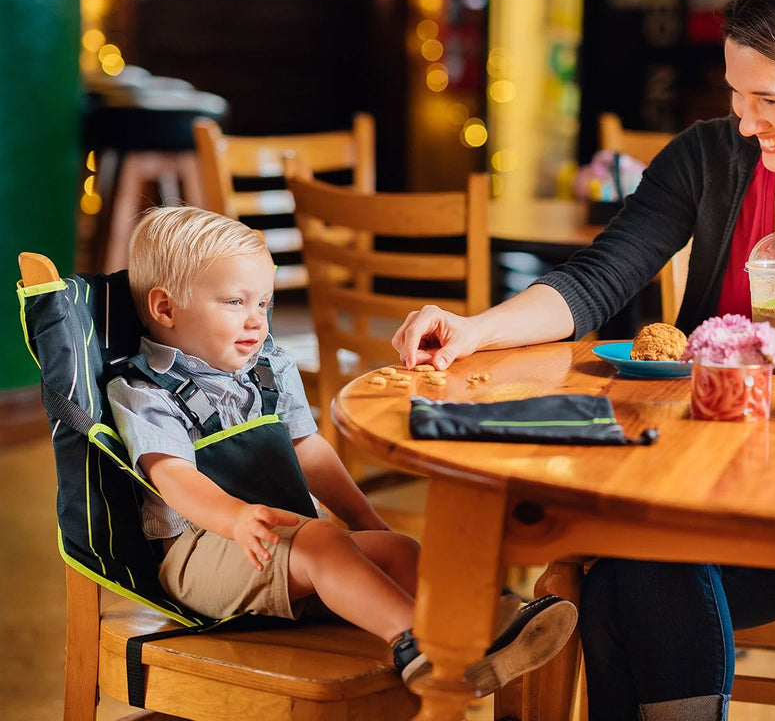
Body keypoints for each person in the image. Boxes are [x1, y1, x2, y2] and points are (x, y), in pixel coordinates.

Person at [392, 0, 775, 720]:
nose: (746, 122)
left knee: (629, 562)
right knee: (631, 559)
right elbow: (596, 280)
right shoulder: (711, 158)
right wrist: (475, 330)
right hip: (701, 479)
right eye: (737, 96)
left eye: (769, 100)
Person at [106, 205, 577, 694]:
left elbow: (309, 451)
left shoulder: (268, 365)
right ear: (165, 309)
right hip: (202, 553)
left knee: (397, 548)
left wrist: (367, 522)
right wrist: (234, 518)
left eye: (264, 304)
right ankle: (419, 646)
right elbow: (174, 476)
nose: (257, 322)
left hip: (287, 544)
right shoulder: (146, 389)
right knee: (324, 540)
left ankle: (487, 628)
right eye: (234, 303)